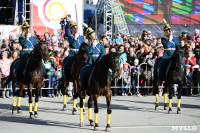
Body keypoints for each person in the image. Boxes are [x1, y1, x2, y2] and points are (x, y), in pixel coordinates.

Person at [79, 27, 105, 95]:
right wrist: (92, 46)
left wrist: (99, 61)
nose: (94, 34)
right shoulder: (86, 44)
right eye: (92, 33)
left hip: (99, 62)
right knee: (83, 72)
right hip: (90, 62)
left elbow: (102, 54)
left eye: (94, 32)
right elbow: (88, 53)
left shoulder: (100, 44)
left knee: (108, 72)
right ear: (89, 36)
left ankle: (106, 87)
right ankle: (83, 88)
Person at [63, 21, 85, 85]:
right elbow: (73, 44)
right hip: (72, 53)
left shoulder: (81, 37)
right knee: (66, 65)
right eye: (73, 28)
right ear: (71, 29)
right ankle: (67, 80)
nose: (75, 29)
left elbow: (83, 45)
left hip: (80, 53)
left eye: (75, 27)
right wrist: (75, 37)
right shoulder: (70, 37)